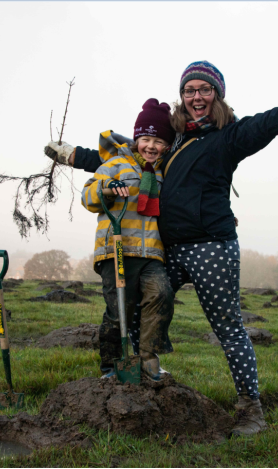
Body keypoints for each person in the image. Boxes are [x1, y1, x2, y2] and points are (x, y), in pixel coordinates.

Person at [46, 60, 278, 436]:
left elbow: (269, 122)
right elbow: (128, 158)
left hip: (211, 248)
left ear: (216, 94)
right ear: (182, 97)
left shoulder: (228, 136)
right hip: (164, 249)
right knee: (135, 307)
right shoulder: (175, 138)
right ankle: (136, 378)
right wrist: (73, 156)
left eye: (204, 89)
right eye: (189, 90)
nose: (196, 96)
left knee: (228, 327)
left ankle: (251, 408)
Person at [80, 98, 176, 381]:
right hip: (116, 249)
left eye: (159, 141)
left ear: (167, 146)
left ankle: (148, 359)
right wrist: (107, 188)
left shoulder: (162, 172)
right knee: (118, 310)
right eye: (146, 138)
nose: (151, 146)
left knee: (161, 294)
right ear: (137, 139)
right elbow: (87, 195)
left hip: (151, 253)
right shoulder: (116, 164)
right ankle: (111, 367)